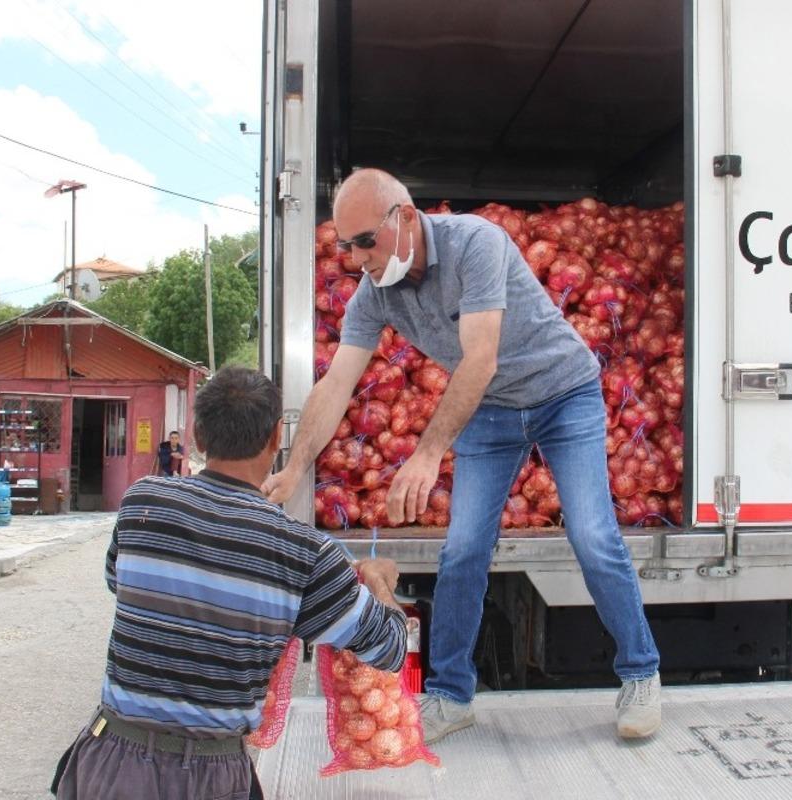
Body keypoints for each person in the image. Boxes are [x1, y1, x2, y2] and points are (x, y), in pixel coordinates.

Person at [262, 169, 663, 745]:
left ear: (404, 218)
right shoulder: (375, 293)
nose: (355, 259)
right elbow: (336, 383)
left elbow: (480, 359)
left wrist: (427, 455)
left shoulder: (476, 242)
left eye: (364, 242)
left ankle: (641, 673)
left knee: (594, 536)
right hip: (493, 412)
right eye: (347, 247)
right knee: (463, 549)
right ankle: (451, 696)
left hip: (563, 394)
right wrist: (297, 464)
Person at [52, 366, 407, 799]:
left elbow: (119, 583)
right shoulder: (303, 553)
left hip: (109, 760)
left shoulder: (142, 502)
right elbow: (390, 649)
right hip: (210, 778)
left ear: (198, 435)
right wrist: (378, 582)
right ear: (277, 438)